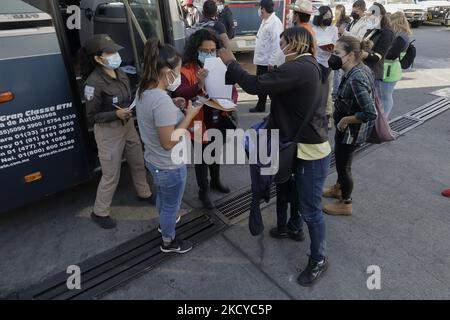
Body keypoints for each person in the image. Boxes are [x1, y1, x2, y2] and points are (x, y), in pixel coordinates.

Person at [219, 27, 331, 286]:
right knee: (288, 188)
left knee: (311, 209)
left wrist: (231, 62)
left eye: (282, 43)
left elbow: (255, 85)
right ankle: (291, 228)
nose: (280, 49)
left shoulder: (299, 68)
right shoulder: (308, 66)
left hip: (310, 151)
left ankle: (319, 259)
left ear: (294, 44)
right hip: (295, 144)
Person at [80, 34, 154, 229]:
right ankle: (100, 212)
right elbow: (92, 116)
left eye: (115, 51)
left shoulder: (119, 72)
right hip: (108, 131)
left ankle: (144, 192)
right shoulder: (93, 84)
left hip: (127, 125)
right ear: (97, 58)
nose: (115, 55)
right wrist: (115, 114)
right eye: (110, 52)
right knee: (111, 174)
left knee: (138, 161)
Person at [136, 39, 202, 253]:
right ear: (166, 71)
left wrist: (174, 105)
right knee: (171, 205)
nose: (179, 74)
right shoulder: (160, 100)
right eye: (177, 70)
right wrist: (189, 116)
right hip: (169, 164)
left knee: (164, 198)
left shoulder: (145, 90)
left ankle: (163, 226)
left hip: (154, 161)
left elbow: (155, 116)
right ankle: (168, 241)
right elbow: (168, 142)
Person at [174, 29, 238, 209]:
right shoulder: (186, 70)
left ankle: (216, 181)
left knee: (215, 153)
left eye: (212, 50)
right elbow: (180, 92)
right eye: (204, 50)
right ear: (196, 50)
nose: (209, 54)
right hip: (198, 123)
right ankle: (204, 190)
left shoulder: (222, 65)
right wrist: (199, 85)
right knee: (201, 159)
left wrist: (231, 101)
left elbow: (232, 89)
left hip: (220, 118)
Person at [323, 36, 378, 216]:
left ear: (351, 55)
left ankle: (346, 202)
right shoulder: (358, 69)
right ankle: (339, 188)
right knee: (341, 162)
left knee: (343, 166)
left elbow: (370, 112)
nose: (334, 57)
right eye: (333, 52)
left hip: (350, 132)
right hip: (345, 129)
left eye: (337, 53)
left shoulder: (356, 78)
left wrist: (345, 120)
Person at [250, 0, 284, 113]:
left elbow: (277, 44)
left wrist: (272, 61)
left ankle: (279, 108)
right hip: (262, 60)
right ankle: (261, 106)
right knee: (261, 85)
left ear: (263, 9)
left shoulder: (274, 22)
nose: (258, 10)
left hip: (268, 62)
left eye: (259, 8)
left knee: (271, 87)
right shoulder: (265, 20)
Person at [360, 3, 394, 103]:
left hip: (373, 73)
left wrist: (362, 53)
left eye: (371, 16)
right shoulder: (372, 29)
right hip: (363, 69)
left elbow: (377, 57)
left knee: (373, 106)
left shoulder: (387, 32)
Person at [312, 6, 338, 129]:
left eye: (330, 15)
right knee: (315, 91)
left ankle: (328, 118)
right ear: (320, 16)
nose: (329, 17)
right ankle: (314, 115)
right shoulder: (313, 29)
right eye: (326, 15)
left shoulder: (333, 29)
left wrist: (332, 49)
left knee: (327, 92)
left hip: (328, 64)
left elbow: (336, 44)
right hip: (316, 63)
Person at [382, 11, 412, 118]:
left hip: (390, 71)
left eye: (391, 22)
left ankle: (383, 121)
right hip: (390, 70)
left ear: (396, 22)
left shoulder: (401, 37)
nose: (389, 24)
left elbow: (391, 55)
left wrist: (379, 51)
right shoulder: (402, 35)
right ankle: (382, 120)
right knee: (385, 96)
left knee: (386, 97)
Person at [332, 4, 352, 100]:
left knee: (340, 71)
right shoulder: (335, 20)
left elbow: (342, 33)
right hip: (335, 46)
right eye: (335, 10)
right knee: (336, 71)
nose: (336, 12)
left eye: (338, 11)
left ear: (342, 11)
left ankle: (337, 93)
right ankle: (336, 92)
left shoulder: (345, 21)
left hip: (343, 47)